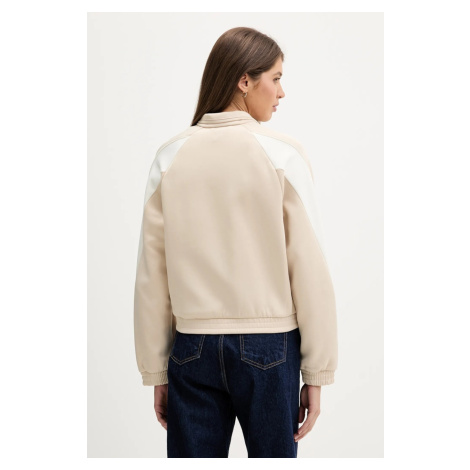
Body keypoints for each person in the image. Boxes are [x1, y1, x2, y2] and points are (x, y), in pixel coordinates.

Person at [133, 26, 338, 458]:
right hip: (271, 347)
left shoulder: (170, 157)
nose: (281, 92)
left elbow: (153, 274)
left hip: (191, 348)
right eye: (275, 78)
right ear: (245, 80)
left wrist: (156, 371)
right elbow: (309, 267)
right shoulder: (282, 155)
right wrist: (316, 373)